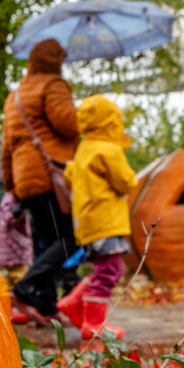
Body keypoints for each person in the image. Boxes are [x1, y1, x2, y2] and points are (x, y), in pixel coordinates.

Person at [1, 38, 80, 324]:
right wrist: (89, 115)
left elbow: (6, 145)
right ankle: (24, 289)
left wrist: (12, 185)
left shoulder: (15, 95)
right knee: (70, 239)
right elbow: (67, 123)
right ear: (54, 60)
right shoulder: (53, 85)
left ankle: (45, 305)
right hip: (51, 175)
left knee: (47, 241)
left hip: (25, 178)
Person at [60, 95, 137, 340]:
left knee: (104, 268)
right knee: (110, 271)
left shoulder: (85, 148)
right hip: (105, 220)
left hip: (88, 221)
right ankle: (93, 323)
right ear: (110, 122)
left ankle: (73, 303)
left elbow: (70, 174)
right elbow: (125, 182)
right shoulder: (108, 149)